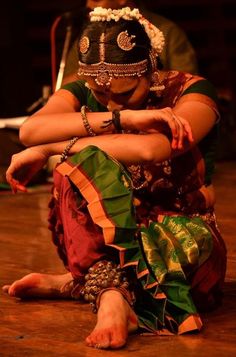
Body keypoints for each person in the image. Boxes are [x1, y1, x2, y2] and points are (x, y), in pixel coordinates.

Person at [3, 7, 226, 350]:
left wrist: (51, 149)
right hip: (107, 235)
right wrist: (126, 119)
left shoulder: (192, 93)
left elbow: (154, 149)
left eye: (124, 95)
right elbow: (32, 129)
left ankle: (87, 285)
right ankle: (110, 293)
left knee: (79, 158)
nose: (110, 103)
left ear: (150, 70)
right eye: (101, 93)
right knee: (75, 171)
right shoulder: (92, 95)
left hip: (185, 241)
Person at [62, 0, 198, 84]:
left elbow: (187, 81)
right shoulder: (88, 36)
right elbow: (65, 86)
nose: (88, 5)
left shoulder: (167, 31)